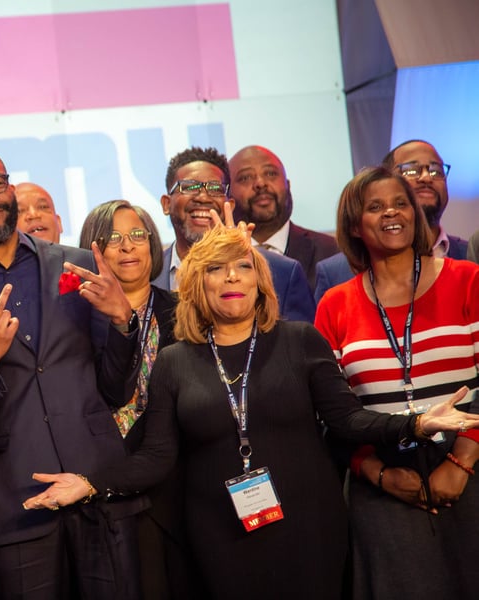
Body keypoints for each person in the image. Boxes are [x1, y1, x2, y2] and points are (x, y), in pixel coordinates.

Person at [23, 223, 478, 599]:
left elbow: (348, 420)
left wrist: (416, 423)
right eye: (217, 270)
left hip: (308, 527)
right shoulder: (175, 361)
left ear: (260, 280)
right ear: (198, 285)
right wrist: (88, 483)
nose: (233, 277)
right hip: (219, 533)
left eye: (244, 267)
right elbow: (156, 457)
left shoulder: (300, 341)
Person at [0, 147, 146, 598]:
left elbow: (116, 388)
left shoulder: (78, 264)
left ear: (11, 189)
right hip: (15, 499)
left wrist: (122, 322)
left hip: (98, 483)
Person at [314, 166, 479, 598]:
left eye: (400, 203)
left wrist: (461, 462)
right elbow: (332, 414)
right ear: (354, 225)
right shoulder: (335, 305)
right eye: (375, 206)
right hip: (385, 488)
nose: (392, 212)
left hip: (470, 468)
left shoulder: (467, 280)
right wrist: (378, 473)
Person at [79, 200, 181, 599]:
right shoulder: (75, 315)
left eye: (137, 236)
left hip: (172, 482)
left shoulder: (183, 312)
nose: (127, 247)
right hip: (99, 480)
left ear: (153, 245)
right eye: (113, 239)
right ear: (94, 249)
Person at [152, 146, 316, 322]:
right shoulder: (149, 275)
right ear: (166, 204)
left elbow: (300, 346)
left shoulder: (282, 271)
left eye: (215, 188)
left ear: (230, 204)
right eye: (189, 187)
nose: (203, 197)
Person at [314, 139, 468, 302]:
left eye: (435, 171)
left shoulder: (470, 263)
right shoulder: (334, 276)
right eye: (411, 170)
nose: (426, 178)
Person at [229, 145, 338, 289]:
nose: (260, 183)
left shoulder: (332, 252)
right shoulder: (214, 260)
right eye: (245, 177)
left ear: (288, 185)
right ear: (227, 195)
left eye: (270, 173)